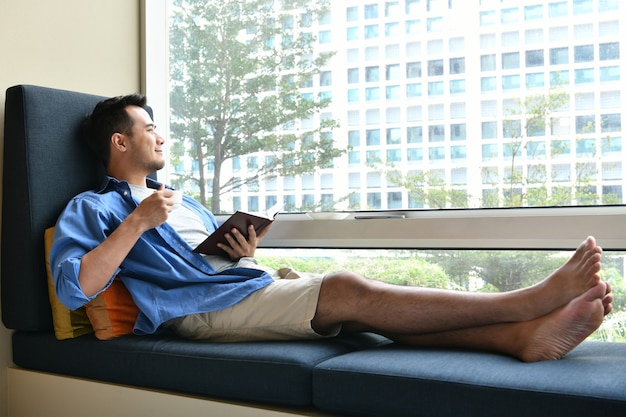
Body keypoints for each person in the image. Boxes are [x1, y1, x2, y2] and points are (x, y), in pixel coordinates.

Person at [51, 94, 613, 363]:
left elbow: (204, 258)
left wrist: (241, 252)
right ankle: (523, 303)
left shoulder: (184, 199)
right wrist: (136, 222)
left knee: (366, 319)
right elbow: (74, 287)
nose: (161, 137)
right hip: (195, 312)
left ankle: (520, 339)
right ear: (119, 141)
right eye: (149, 129)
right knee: (347, 289)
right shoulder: (93, 208)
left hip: (238, 284)